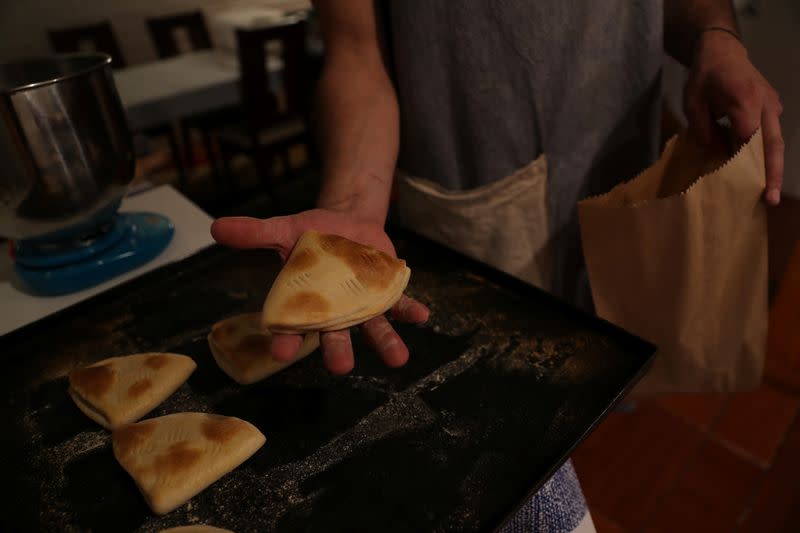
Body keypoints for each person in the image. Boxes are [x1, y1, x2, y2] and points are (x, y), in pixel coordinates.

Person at [211, 1, 784, 531]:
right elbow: (356, 52)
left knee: (596, 382)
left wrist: (716, 36)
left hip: (624, 162)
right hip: (472, 189)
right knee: (506, 434)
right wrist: (350, 207)